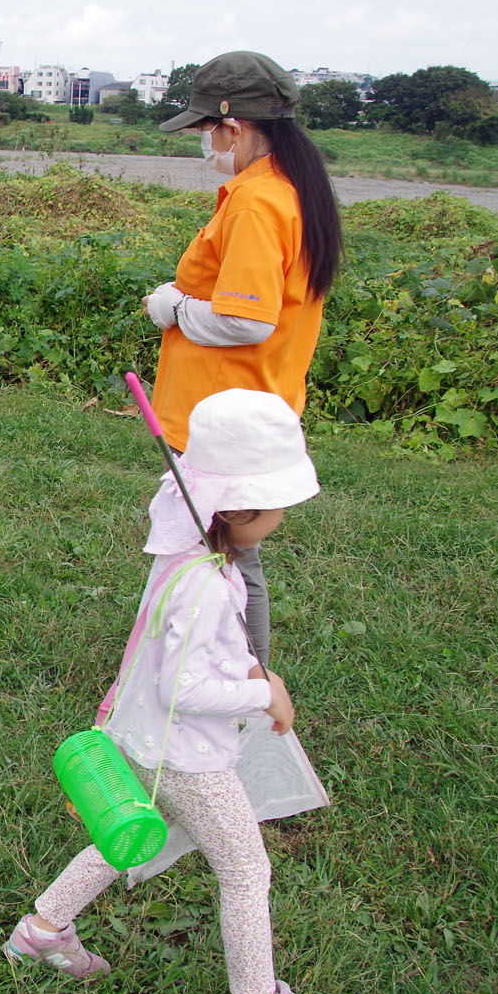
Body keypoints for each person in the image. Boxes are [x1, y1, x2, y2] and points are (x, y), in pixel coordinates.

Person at [5, 388, 350, 994]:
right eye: (277, 503)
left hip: (145, 743)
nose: (283, 515)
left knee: (126, 838)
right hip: (188, 758)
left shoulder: (189, 556)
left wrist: (252, 671)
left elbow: (187, 656)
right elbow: (183, 685)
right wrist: (263, 695)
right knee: (246, 874)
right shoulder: (204, 581)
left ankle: (41, 933)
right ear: (241, 509)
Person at [146, 51, 343, 667]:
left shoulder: (258, 203)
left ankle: (241, 676)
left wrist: (175, 308)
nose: (204, 143)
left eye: (205, 130)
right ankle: (214, 663)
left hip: (222, 414)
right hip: (252, 401)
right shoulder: (288, 190)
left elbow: (246, 319)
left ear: (232, 127)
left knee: (227, 556)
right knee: (222, 551)